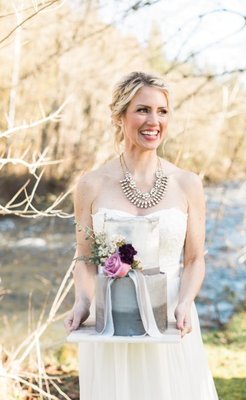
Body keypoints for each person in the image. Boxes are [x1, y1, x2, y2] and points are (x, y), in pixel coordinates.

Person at [65, 71, 219, 400]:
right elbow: (84, 257)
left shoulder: (187, 183)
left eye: (162, 111)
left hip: (171, 318)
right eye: (143, 110)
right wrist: (82, 302)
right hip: (112, 320)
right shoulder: (91, 184)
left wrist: (185, 303)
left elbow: (193, 260)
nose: (154, 121)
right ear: (120, 116)